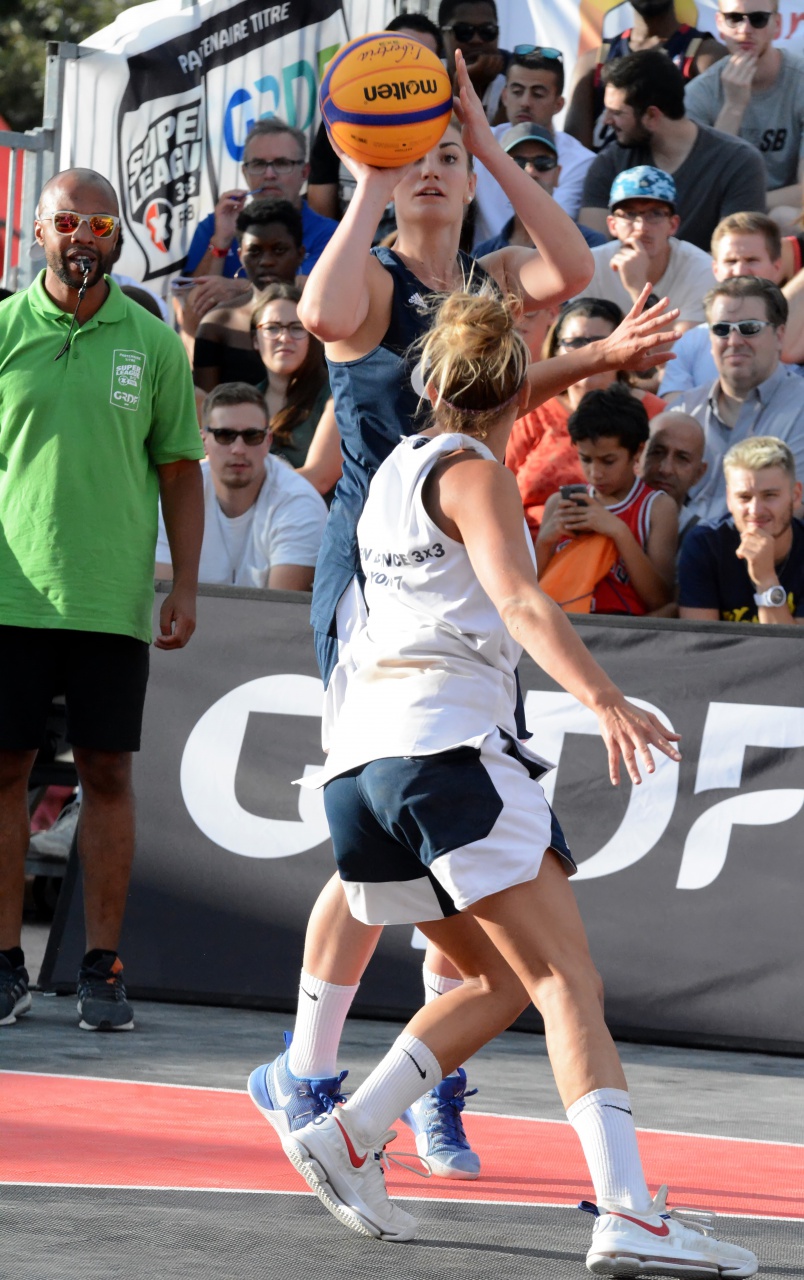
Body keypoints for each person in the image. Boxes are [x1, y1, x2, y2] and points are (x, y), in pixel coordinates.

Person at [248, 287, 757, 1280]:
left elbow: (491, 391)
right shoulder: (477, 470)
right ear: (518, 394)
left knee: (498, 979)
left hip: (363, 770)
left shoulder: (392, 467)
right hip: (447, 755)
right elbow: (521, 601)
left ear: (433, 384)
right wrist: (604, 698)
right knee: (569, 982)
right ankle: (629, 1212)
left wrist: (585, 356)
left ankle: (351, 1131)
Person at [252, 55, 680, 1182]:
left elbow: (572, 268)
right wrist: (370, 174)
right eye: (418, 156)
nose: (434, 170)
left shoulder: (485, 285)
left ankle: (423, 1081)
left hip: (460, 549)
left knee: (445, 838)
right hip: (378, 571)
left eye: (448, 156)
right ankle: (311, 1067)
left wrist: (489, 144)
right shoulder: (372, 274)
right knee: (392, 831)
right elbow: (320, 313)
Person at [0, 169, 204, 1031]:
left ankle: (101, 967)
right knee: (5, 772)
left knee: (107, 774)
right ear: (37, 232)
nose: (84, 235)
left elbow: (180, 470)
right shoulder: (4, 329)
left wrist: (183, 582)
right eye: (67, 221)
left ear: (120, 236)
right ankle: (5, 965)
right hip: (10, 595)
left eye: (100, 223)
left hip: (111, 597)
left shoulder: (151, 341)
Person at [507, 298, 667, 541]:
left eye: (600, 343)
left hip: (624, 549)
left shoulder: (656, 414)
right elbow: (500, 487)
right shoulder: (528, 410)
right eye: (574, 343)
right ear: (555, 349)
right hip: (532, 546)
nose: (588, 352)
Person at [579, 50, 767, 251]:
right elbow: (592, 253)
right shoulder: (609, 162)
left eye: (617, 112)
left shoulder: (739, 162)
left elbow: (736, 254)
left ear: (652, 116)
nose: (607, 121)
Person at [155, 383, 327, 591]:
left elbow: (285, 607)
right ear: (204, 441)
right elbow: (163, 596)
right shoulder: (175, 498)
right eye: (224, 435)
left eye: (252, 436)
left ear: (268, 441)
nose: (238, 449)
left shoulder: (299, 502)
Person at [671, 276, 804, 524]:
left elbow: (792, 513)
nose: (734, 341)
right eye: (721, 329)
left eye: (749, 328)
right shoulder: (683, 410)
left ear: (779, 335)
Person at [536, 385, 678, 614]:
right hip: (566, 624)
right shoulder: (559, 504)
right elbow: (530, 591)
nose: (596, 473)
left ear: (638, 451)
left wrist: (618, 532)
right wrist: (544, 542)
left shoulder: (657, 508)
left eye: (608, 461)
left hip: (623, 629)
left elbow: (660, 600)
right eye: (586, 459)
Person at [183, 118, 337, 319]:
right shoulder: (215, 225)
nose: (269, 174)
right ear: (244, 172)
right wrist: (220, 241)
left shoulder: (330, 234)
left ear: (304, 172)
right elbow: (192, 307)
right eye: (258, 164)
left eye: (282, 163)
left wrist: (240, 289)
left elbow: (316, 293)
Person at [307, 14, 444, 222]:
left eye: (421, 57)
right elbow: (322, 217)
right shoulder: (342, 122)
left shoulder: (446, 130)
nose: (407, 66)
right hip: (354, 241)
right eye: (400, 51)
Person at [684, 0, 804, 233]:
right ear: (720, 23)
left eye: (758, 19)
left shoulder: (799, 81)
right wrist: (733, 107)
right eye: (734, 18)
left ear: (777, 24)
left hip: (780, 216)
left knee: (782, 218)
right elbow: (703, 188)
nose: (745, 29)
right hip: (720, 224)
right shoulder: (699, 93)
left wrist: (743, 204)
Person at [471, 47, 596, 245]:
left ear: (559, 104)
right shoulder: (477, 142)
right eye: (517, 92)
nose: (525, 102)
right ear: (504, 96)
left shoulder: (582, 161)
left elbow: (548, 226)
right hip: (482, 261)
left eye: (537, 94)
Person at [565, 0, 725, 152]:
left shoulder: (706, 55)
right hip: (608, 170)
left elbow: (723, 140)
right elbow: (576, 152)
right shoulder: (594, 61)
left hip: (679, 169)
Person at [660, 210, 786, 395]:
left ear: (777, 267)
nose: (740, 271)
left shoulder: (797, 336)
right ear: (715, 269)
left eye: (752, 260)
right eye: (731, 261)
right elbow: (674, 406)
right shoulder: (691, 341)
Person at [679, 435, 804, 622]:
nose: (756, 510)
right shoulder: (705, 545)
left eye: (770, 495)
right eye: (744, 497)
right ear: (729, 499)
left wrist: (766, 580)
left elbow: (792, 642)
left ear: (795, 496)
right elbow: (700, 637)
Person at [578, 166, 713, 327]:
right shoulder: (590, 266)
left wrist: (640, 289)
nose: (641, 227)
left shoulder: (701, 268)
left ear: (673, 225)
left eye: (655, 214)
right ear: (612, 225)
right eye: (630, 214)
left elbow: (682, 342)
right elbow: (576, 337)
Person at [192, 200, 305, 392]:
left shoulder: (319, 318)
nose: (266, 261)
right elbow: (205, 404)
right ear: (240, 256)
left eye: (279, 250)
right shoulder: (217, 324)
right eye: (254, 251)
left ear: (300, 254)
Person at [251, 284, 341, 498]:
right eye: (272, 328)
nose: (284, 338)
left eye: (297, 328)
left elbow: (319, 478)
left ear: (312, 337)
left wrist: (242, 489)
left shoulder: (337, 395)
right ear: (255, 339)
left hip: (312, 515)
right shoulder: (245, 400)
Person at [473, 124, 606, 255]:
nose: (531, 172)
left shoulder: (590, 246)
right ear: (499, 175)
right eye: (517, 163)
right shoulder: (483, 254)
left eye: (543, 162)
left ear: (557, 174)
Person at [639, 411, 708, 538]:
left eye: (682, 458)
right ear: (637, 456)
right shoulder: (607, 516)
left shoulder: (705, 540)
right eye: (657, 452)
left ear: (699, 473)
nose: (666, 469)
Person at [439, 0, 508, 122]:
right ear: (442, 35)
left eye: (487, 31)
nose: (476, 40)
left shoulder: (516, 84)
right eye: (464, 31)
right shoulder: (426, 78)